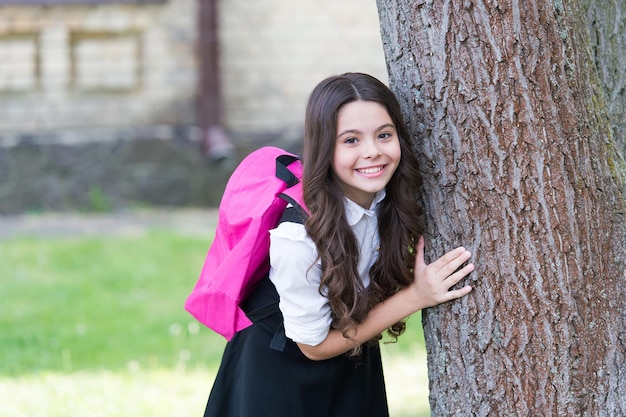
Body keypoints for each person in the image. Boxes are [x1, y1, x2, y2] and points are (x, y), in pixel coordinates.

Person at [202, 72, 475, 417]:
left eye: (384, 135)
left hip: (351, 358)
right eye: (351, 140)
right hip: (279, 377)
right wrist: (417, 296)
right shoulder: (299, 238)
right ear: (324, 147)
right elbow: (313, 346)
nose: (372, 152)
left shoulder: (388, 196)